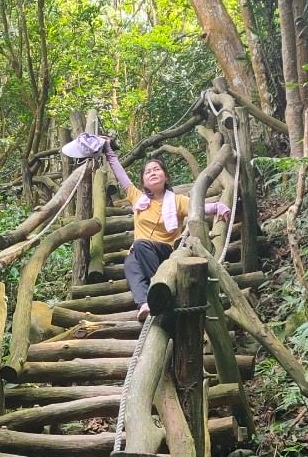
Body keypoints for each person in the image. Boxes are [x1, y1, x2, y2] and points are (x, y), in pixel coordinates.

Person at [61, 133, 231, 321]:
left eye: (157, 170)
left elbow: (199, 207)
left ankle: (162, 289)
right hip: (142, 253)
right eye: (148, 171)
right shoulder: (137, 198)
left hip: (167, 254)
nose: (153, 173)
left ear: (165, 176)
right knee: (130, 262)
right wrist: (108, 152)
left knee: (140, 246)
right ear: (143, 181)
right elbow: (120, 174)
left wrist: (218, 206)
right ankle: (144, 303)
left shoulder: (177, 200)